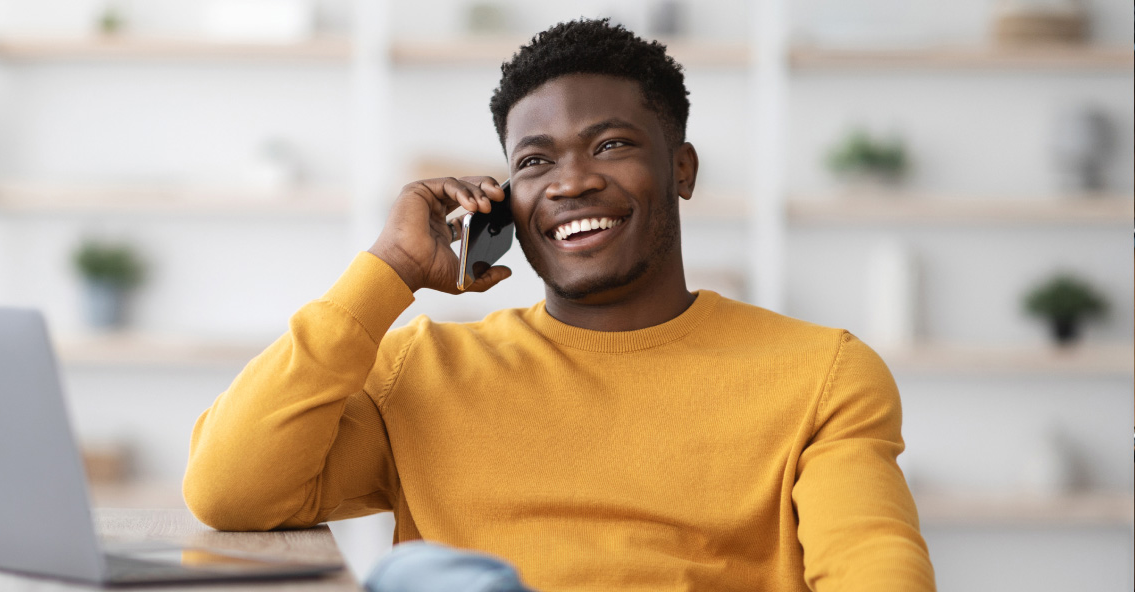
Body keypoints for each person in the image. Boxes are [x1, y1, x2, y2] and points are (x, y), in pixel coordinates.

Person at [183, 18, 935, 591]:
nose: (570, 182)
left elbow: (875, 570)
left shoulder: (821, 374)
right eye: (535, 162)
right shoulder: (426, 370)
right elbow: (230, 490)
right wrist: (390, 272)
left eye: (610, 145)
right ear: (505, 202)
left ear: (681, 169)